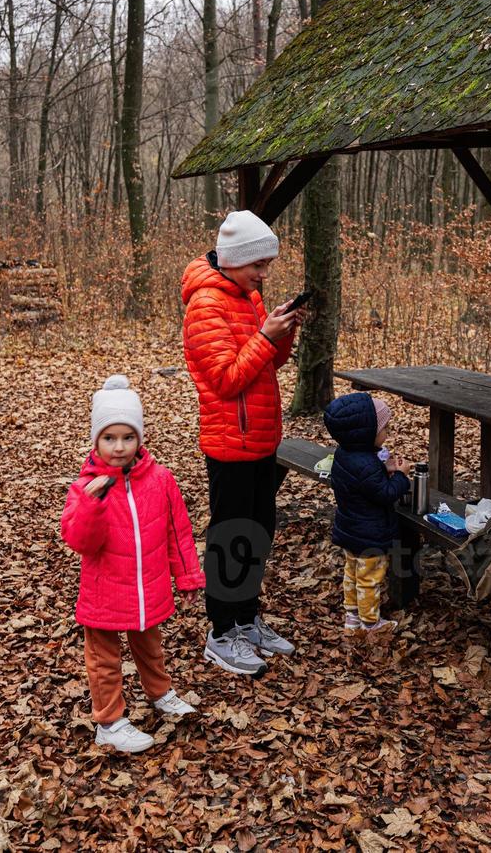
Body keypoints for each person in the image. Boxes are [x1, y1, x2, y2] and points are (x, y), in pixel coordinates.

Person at [181, 210, 306, 676]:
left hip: (262, 438)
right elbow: (226, 378)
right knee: (231, 537)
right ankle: (222, 631)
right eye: (259, 264)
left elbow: (267, 364)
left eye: (267, 264)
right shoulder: (205, 305)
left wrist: (282, 331)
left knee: (259, 532)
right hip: (229, 442)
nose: (264, 273)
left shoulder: (248, 297)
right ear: (235, 260)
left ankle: (247, 617)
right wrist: (262, 336)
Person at [60, 375, 206, 753]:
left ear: (140, 438)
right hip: (104, 593)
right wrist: (92, 503)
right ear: (96, 440)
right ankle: (109, 721)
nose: (119, 447)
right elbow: (79, 540)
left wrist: (188, 576)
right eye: (109, 438)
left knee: (150, 648)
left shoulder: (159, 480)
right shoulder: (87, 486)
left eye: (128, 437)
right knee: (104, 660)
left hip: (149, 588)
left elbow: (178, 531)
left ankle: (160, 693)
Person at [322, 392, 410, 638]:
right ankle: (371, 623)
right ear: (366, 432)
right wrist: (401, 476)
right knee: (370, 579)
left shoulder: (345, 455)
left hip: (350, 529)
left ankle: (352, 617)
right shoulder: (367, 464)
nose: (387, 433)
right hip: (370, 534)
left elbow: (361, 482)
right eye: (384, 428)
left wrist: (384, 467)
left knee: (352, 574)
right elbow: (385, 493)